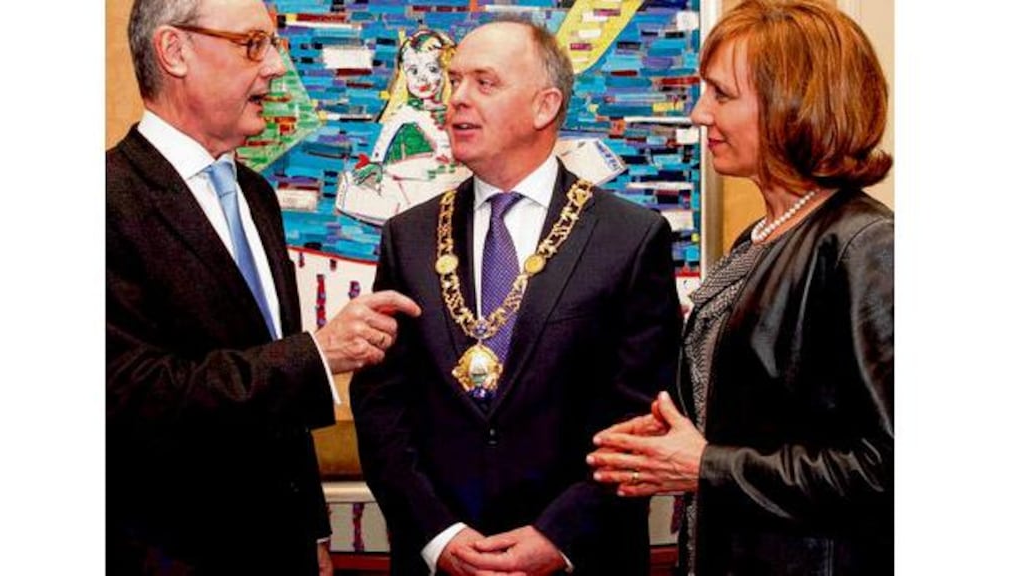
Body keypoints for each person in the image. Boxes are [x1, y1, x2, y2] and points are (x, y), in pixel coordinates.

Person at [350, 18, 683, 576]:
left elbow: (641, 417)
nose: (457, 98)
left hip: (580, 558)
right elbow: (382, 405)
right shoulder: (407, 237)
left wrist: (559, 537)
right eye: (455, 81)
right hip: (442, 558)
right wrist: (439, 536)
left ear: (544, 106)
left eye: (484, 82)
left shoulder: (629, 238)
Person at [107, 0, 421, 574]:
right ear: (174, 51)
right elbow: (132, 398)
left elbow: (278, 405)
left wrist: (312, 530)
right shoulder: (104, 200)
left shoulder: (256, 195)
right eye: (253, 44)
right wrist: (318, 354)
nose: (276, 66)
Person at [586, 1, 894, 574]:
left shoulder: (866, 246)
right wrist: (679, 433)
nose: (700, 114)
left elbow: (888, 469)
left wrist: (705, 465)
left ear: (795, 105)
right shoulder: (760, 237)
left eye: (722, 95)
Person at [336, 28, 469, 225]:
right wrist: (376, 164)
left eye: (432, 69)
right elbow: (384, 142)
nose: (421, 78)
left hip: (450, 181)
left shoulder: (460, 113)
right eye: (413, 71)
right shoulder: (406, 112)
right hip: (411, 181)